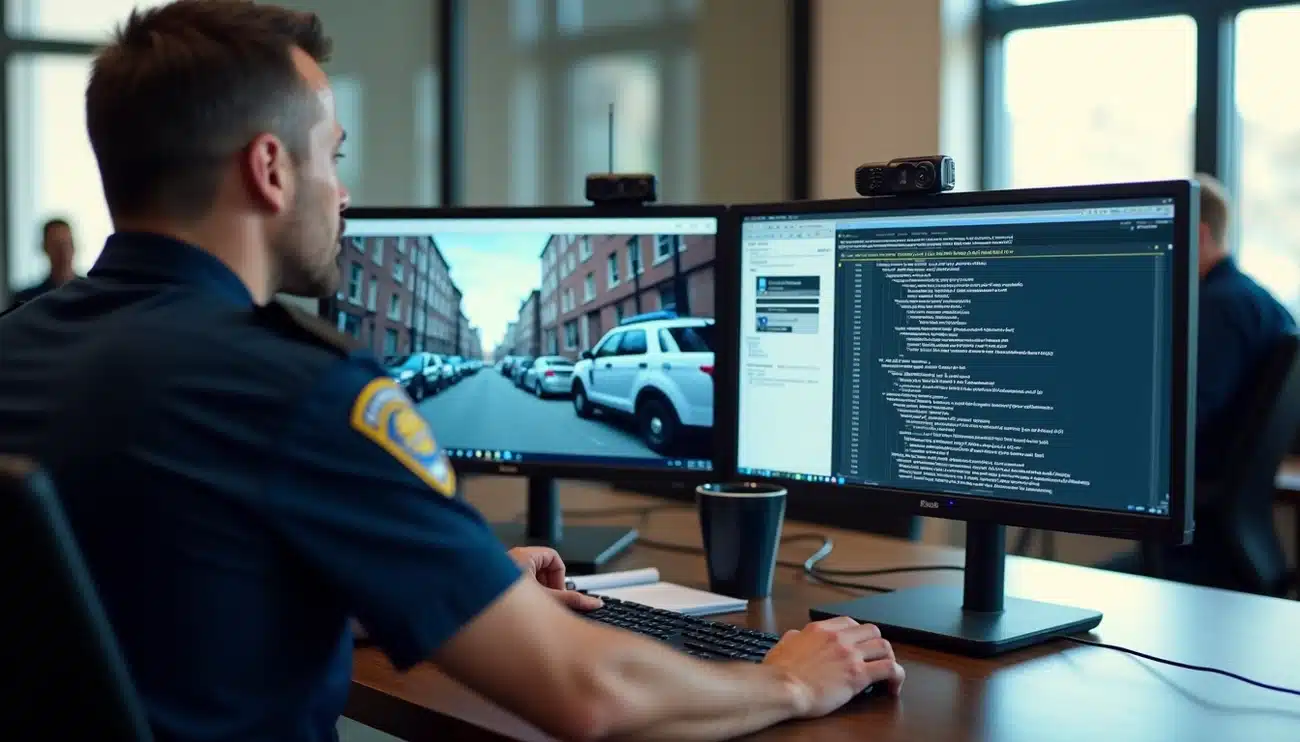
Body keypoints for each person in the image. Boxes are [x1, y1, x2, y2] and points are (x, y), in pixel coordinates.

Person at [0, 3, 903, 742]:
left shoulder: (19, 345)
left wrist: (448, 587)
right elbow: (585, 694)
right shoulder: (297, 390)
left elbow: (146, 602)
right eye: (334, 155)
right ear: (270, 168)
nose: (343, 193)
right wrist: (787, 681)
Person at [1190, 172, 1296, 481]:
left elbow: (1194, 412)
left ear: (1198, 234)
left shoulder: (1218, 305)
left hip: (1212, 476)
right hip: (1247, 478)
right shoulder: (1260, 301)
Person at [6, 217, 76, 309]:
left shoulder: (91, 292)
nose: (64, 252)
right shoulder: (27, 300)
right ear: (45, 248)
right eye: (56, 245)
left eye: (67, 244)